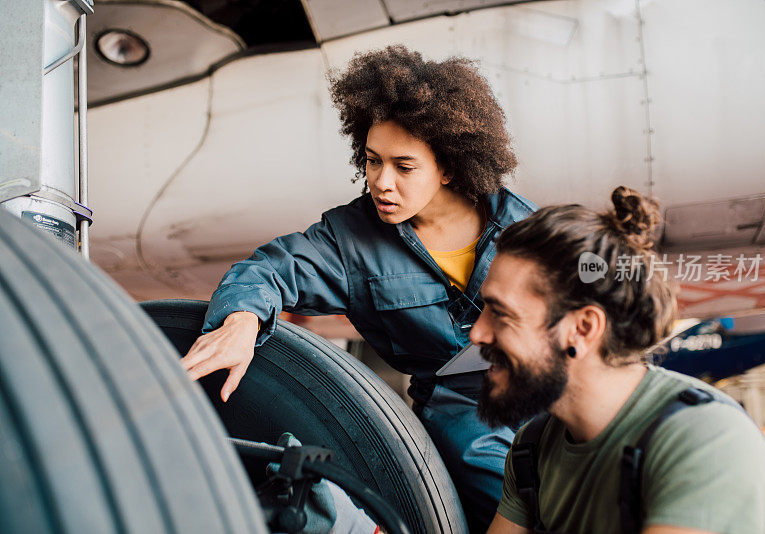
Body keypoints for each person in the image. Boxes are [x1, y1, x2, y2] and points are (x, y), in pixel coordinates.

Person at [179, 45, 536, 530]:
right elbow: (269, 270)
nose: (381, 182)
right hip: (463, 411)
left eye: (404, 167)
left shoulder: (520, 224)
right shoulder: (348, 242)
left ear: (449, 167)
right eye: (372, 161)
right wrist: (241, 320)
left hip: (540, 387)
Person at [471, 186, 765, 534]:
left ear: (583, 328)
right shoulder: (532, 447)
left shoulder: (707, 443)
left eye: (500, 313)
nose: (477, 334)